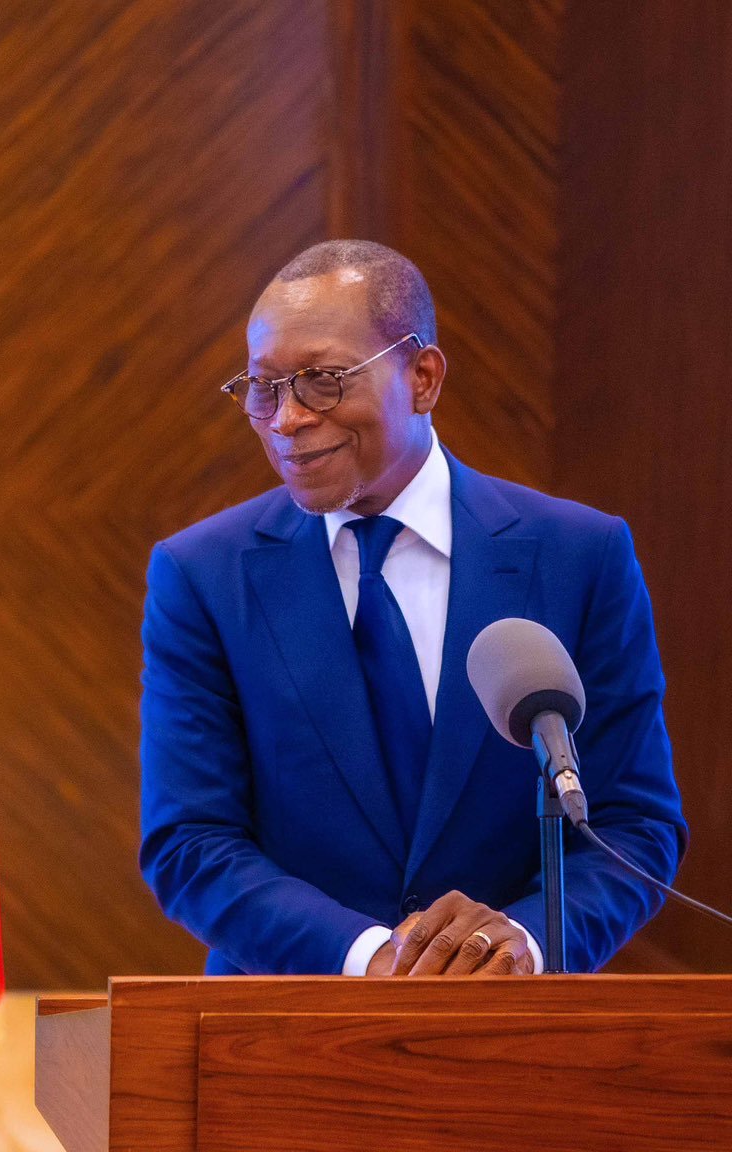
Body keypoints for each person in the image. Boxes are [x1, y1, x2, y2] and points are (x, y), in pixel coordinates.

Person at [139, 239, 686, 976]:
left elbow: (632, 825)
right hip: (282, 1041)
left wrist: (521, 944)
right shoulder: (202, 575)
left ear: (423, 377)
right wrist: (375, 958)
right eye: (263, 388)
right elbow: (189, 841)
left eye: (323, 380)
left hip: (515, 1042)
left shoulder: (580, 557)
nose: (287, 418)